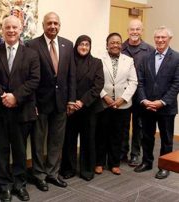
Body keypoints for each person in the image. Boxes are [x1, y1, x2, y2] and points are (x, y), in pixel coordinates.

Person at [0, 15, 40, 202]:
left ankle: (19, 185)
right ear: (2, 29)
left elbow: (34, 80)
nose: (11, 30)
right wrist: (4, 95)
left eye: (14, 27)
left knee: (19, 151)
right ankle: (4, 187)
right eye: (7, 27)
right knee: (1, 151)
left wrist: (15, 96)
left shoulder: (31, 54)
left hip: (22, 111)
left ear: (21, 29)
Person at [26, 12, 76, 191]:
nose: (53, 26)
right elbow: (29, 76)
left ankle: (53, 173)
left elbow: (71, 75)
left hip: (61, 102)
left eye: (56, 23)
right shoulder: (31, 45)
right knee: (38, 141)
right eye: (49, 23)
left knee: (56, 140)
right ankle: (39, 175)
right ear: (43, 25)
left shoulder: (68, 45)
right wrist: (32, 104)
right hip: (40, 103)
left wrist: (71, 100)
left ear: (59, 25)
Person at [134, 26, 179, 179]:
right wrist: (144, 100)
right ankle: (147, 162)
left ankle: (164, 166)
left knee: (166, 138)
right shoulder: (145, 58)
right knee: (147, 136)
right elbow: (139, 81)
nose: (160, 40)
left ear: (169, 39)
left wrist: (162, 102)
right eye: (157, 37)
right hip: (147, 106)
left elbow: (176, 83)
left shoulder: (177, 58)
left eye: (163, 37)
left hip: (166, 107)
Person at [60, 35, 104, 181]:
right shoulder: (68, 62)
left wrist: (82, 102)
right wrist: (72, 102)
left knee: (88, 140)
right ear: (76, 46)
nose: (84, 47)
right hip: (71, 108)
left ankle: (86, 170)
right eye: (81, 44)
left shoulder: (97, 63)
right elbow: (64, 83)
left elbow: (98, 86)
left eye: (87, 44)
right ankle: (68, 169)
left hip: (89, 108)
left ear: (90, 47)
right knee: (69, 140)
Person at [95, 32, 137, 175]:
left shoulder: (128, 60)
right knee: (101, 134)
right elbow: (95, 80)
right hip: (103, 103)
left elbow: (133, 82)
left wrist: (123, 99)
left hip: (122, 105)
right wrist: (104, 96)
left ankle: (114, 163)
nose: (115, 45)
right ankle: (99, 162)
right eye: (112, 42)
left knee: (118, 135)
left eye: (118, 42)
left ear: (121, 45)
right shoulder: (99, 59)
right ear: (107, 45)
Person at [121, 19, 155, 166]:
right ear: (127, 31)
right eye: (132, 29)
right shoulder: (120, 47)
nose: (134, 32)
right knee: (123, 125)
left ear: (142, 31)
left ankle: (135, 154)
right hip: (123, 94)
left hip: (141, 94)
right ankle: (122, 152)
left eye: (138, 29)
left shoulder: (150, 50)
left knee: (139, 125)